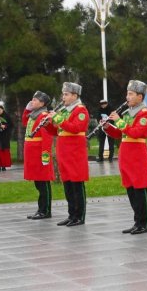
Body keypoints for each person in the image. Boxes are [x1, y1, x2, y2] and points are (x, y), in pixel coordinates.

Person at [101, 80, 147, 234]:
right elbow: (121, 133)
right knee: (130, 190)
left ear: (140, 96)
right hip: (126, 155)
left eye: (131, 94)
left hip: (137, 154)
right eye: (127, 93)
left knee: (140, 189)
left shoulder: (144, 114)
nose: (127, 97)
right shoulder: (128, 113)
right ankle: (137, 222)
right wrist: (108, 127)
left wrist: (119, 121)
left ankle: (145, 223)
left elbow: (137, 133)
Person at [53, 82, 90, 226]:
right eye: (63, 94)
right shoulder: (66, 110)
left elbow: (76, 128)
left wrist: (58, 119)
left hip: (74, 152)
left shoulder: (80, 110)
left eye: (66, 94)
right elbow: (59, 130)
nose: (63, 97)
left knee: (76, 184)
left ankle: (79, 216)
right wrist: (49, 123)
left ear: (75, 96)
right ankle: (71, 214)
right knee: (67, 184)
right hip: (64, 152)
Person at [22, 91, 55, 220]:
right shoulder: (34, 115)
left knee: (43, 183)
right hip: (32, 154)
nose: (32, 101)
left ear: (42, 103)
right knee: (38, 183)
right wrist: (27, 109)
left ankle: (45, 210)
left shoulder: (43, 116)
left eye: (35, 100)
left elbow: (47, 137)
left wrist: (45, 155)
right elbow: (25, 122)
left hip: (39, 154)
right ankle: (41, 209)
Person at [94, 98, 116, 162]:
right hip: (102, 128)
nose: (103, 105)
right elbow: (98, 117)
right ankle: (100, 157)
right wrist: (100, 121)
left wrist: (108, 123)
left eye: (104, 104)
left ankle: (110, 158)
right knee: (101, 143)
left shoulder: (111, 109)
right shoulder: (99, 109)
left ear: (107, 103)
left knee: (111, 143)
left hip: (110, 128)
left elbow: (113, 118)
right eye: (101, 104)